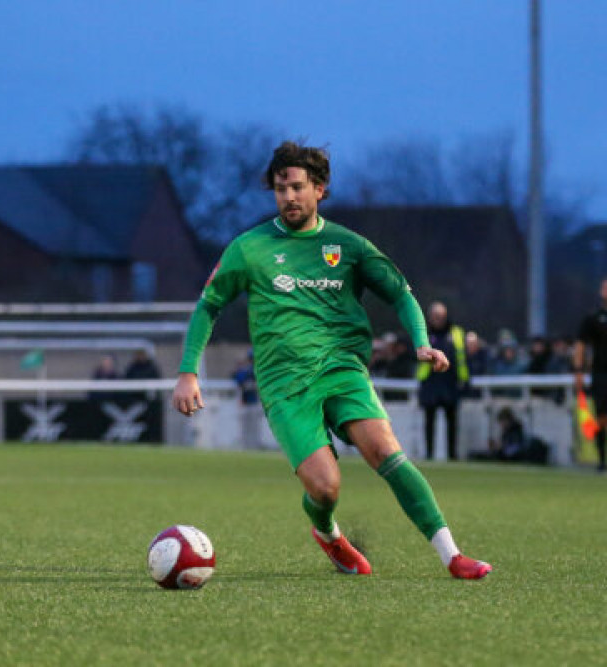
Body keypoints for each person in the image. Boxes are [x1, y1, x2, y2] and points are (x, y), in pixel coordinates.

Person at [172, 141, 491, 579]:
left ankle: (453, 556)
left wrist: (421, 341)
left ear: (320, 189)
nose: (288, 197)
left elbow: (401, 294)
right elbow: (209, 305)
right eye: (281, 189)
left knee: (385, 450)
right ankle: (326, 532)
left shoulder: (347, 245)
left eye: (298, 187)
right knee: (325, 487)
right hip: (285, 383)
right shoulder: (250, 248)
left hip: (343, 370)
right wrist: (188, 371)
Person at [417, 302, 469, 461]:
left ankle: (452, 455)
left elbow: (462, 359)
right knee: (429, 421)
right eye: (434, 316)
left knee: (452, 422)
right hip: (430, 382)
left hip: (449, 381)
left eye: (439, 316)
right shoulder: (423, 333)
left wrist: (464, 380)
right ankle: (429, 454)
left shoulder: (456, 333)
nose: (437, 319)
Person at [573, 278, 607, 472]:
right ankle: (602, 459)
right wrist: (578, 370)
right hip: (601, 373)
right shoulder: (593, 318)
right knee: (601, 416)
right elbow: (580, 345)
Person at [231, 350, 262, 449]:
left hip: (254, 403)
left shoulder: (257, 372)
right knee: (248, 427)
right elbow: (235, 378)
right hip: (246, 403)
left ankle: (251, 446)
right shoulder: (247, 372)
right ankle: (248, 446)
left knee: (252, 427)